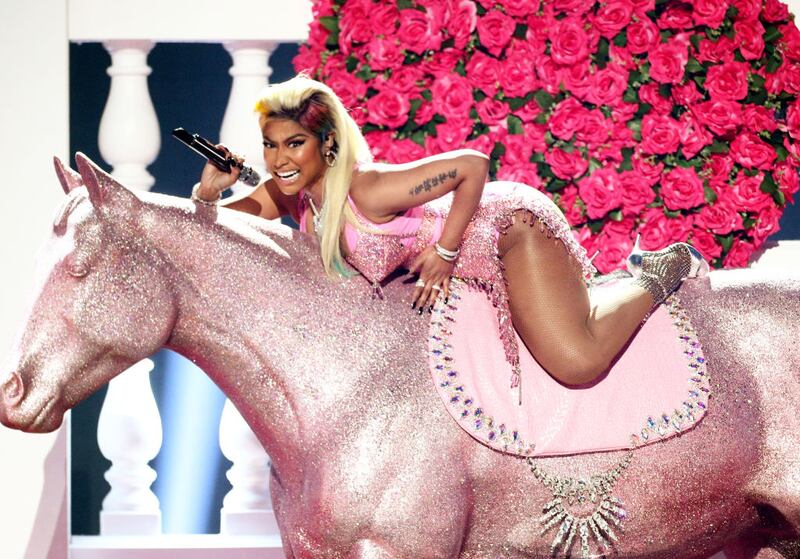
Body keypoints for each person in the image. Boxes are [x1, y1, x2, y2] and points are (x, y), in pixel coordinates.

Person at [191, 74, 707, 392]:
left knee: (576, 362)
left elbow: (472, 165)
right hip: (467, 269)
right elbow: (218, 231)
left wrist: (445, 250)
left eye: (294, 143)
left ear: (326, 144)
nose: (279, 159)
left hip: (507, 231)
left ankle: (661, 269)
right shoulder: (294, 194)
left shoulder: (369, 188)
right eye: (270, 145)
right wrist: (209, 191)